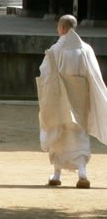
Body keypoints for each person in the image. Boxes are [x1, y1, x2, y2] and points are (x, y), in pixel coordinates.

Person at [37, 14, 107, 188]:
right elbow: (94, 75)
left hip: (57, 98)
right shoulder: (85, 49)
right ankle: (82, 172)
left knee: (57, 130)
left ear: (61, 28)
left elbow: (45, 73)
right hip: (79, 97)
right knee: (79, 132)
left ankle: (56, 174)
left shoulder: (54, 50)